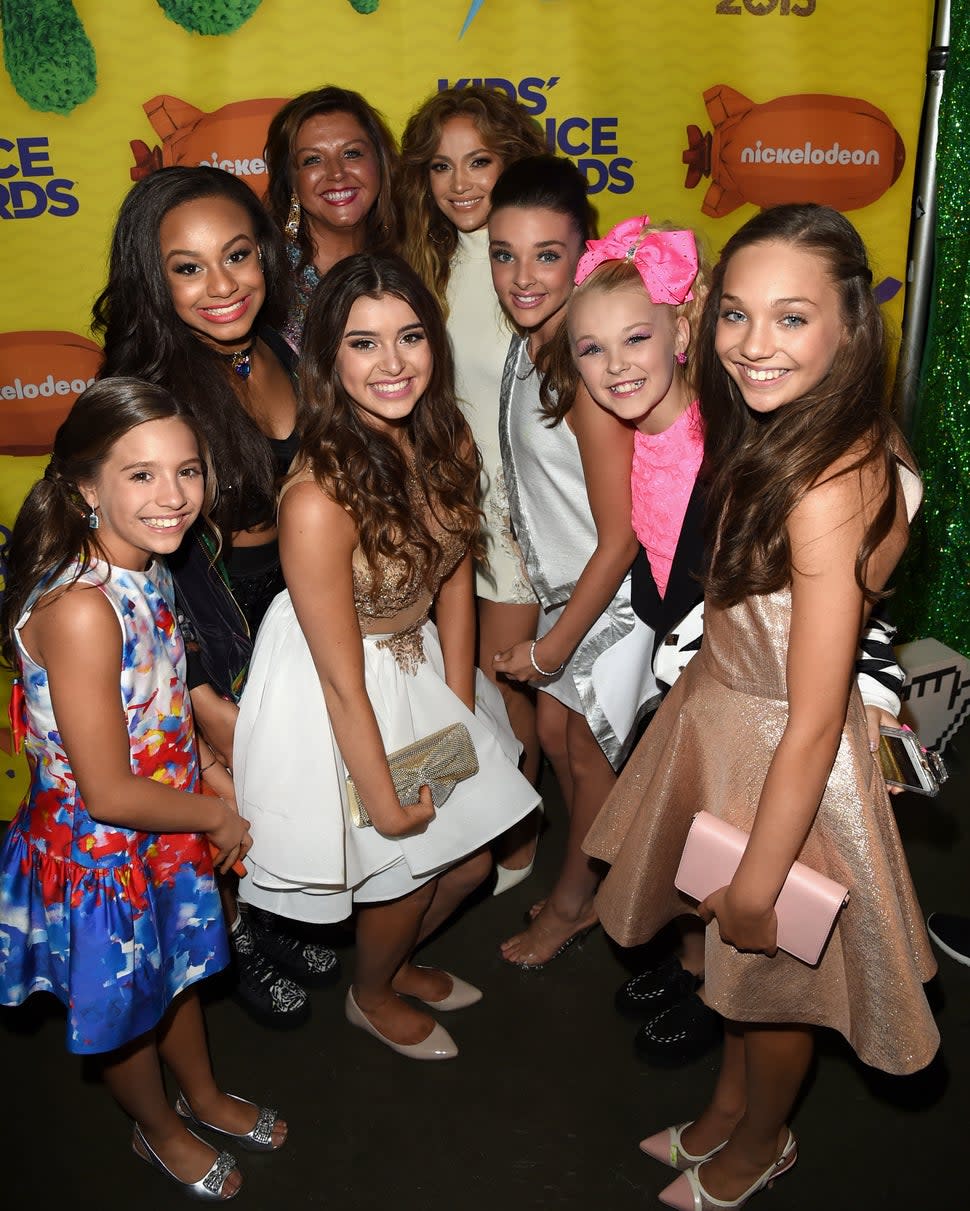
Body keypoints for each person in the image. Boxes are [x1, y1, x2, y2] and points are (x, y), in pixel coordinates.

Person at [583, 204, 939, 1209]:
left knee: (771, 984)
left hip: (788, 760)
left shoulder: (829, 477)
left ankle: (760, 1140)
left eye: (791, 318)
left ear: (848, 327)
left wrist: (763, 872)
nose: (752, 343)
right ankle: (726, 1109)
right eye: (735, 314)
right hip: (734, 727)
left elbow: (816, 715)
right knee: (733, 984)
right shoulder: (785, 425)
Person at [231, 252, 540, 1059]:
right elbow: (339, 681)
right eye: (364, 343)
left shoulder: (447, 438)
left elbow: (456, 573)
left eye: (409, 336)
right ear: (330, 357)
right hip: (342, 685)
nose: (393, 362)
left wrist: (462, 698)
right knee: (408, 866)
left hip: (419, 666)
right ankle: (371, 992)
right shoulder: (316, 497)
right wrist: (383, 791)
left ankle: (391, 964)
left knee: (466, 866)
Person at [0, 379, 285, 1202]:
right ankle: (156, 1128)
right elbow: (109, 792)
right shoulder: (84, 608)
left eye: (187, 471)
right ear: (86, 486)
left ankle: (201, 1095)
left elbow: (151, 703)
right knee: (126, 1013)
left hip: (161, 833)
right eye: (141, 475)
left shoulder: (147, 562)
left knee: (177, 976)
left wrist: (203, 759)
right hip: (105, 857)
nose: (173, 498)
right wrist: (218, 817)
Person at [93, 166, 338, 1029]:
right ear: (152, 280)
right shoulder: (148, 389)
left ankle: (273, 917)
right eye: (188, 268)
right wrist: (196, 693)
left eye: (237, 255)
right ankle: (236, 946)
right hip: (214, 630)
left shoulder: (279, 346)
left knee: (291, 790)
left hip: (301, 609)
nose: (223, 285)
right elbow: (140, 566)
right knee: (232, 799)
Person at [486, 156, 658, 969]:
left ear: (583, 253)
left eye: (547, 254)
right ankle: (602, 877)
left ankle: (572, 904)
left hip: (612, 596)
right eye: (504, 252)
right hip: (568, 591)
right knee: (557, 737)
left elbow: (620, 536)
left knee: (584, 756)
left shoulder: (587, 373)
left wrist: (553, 646)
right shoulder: (534, 346)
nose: (522, 276)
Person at [400, 86, 547, 890]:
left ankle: (517, 831)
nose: (459, 183)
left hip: (520, 520)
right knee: (456, 675)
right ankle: (485, 822)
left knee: (501, 677)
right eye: (441, 166)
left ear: (512, 160)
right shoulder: (431, 263)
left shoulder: (535, 260)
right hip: (449, 512)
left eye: (480, 161)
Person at [264, 85, 401, 351]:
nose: (336, 173)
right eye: (313, 160)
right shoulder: (266, 277)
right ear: (291, 180)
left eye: (351, 154)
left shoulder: (417, 261)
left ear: (380, 163)